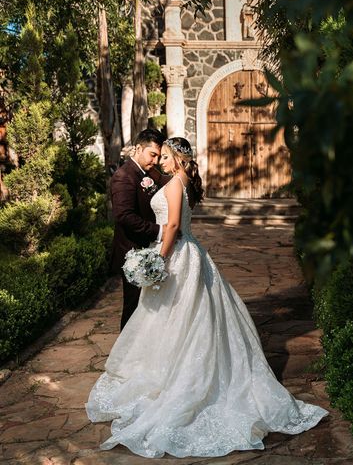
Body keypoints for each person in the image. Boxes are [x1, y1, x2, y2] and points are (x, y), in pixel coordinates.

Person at [86, 137, 328, 458]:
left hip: (176, 253)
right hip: (193, 252)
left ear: (179, 158)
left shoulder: (174, 183)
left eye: (167, 156)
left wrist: (159, 257)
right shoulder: (184, 182)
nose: (162, 162)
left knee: (177, 317)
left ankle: (176, 381)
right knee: (186, 317)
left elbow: (172, 225)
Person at [110, 128, 171, 330]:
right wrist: (160, 231)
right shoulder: (124, 176)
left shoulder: (148, 172)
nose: (155, 161)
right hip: (133, 251)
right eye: (152, 154)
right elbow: (124, 216)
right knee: (134, 307)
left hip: (150, 249)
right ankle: (125, 356)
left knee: (149, 308)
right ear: (138, 148)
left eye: (158, 156)